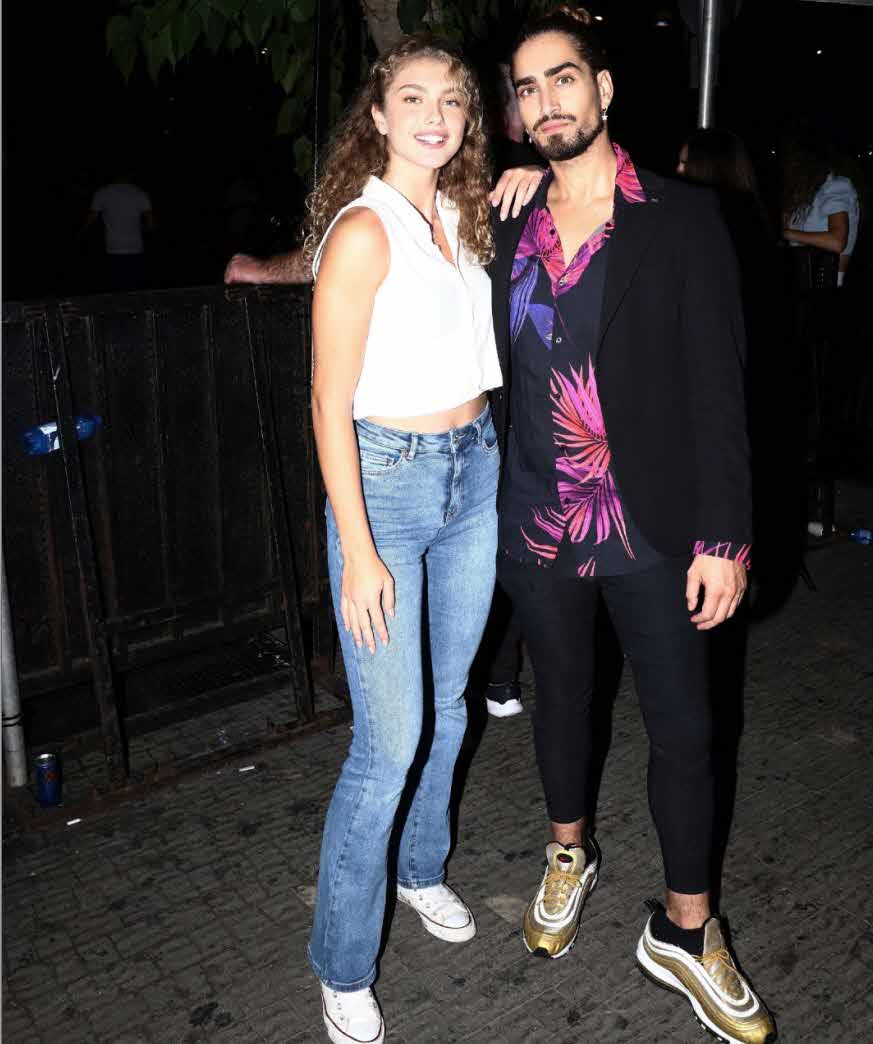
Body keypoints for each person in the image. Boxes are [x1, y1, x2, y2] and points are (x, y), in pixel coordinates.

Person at [488, 8, 775, 1043]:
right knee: (563, 704)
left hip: (650, 523)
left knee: (686, 729)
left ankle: (685, 931)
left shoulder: (684, 218)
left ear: (603, 89)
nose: (546, 101)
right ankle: (568, 852)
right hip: (537, 520)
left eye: (563, 78)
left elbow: (719, 389)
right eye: (527, 88)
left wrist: (726, 536)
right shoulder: (505, 220)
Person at [304, 35, 505, 1044]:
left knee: (451, 706)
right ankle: (341, 964)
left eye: (453, 100)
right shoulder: (363, 230)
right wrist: (358, 547)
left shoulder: (463, 216)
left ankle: (421, 870)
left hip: (476, 470)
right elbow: (327, 401)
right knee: (387, 744)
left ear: (469, 119)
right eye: (413, 98)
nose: (435, 115)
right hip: (385, 487)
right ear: (377, 117)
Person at [781, 136, 861, 287]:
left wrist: (788, 233)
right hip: (802, 281)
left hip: (829, 283)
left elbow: (837, 242)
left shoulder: (835, 187)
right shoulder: (806, 195)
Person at [82, 172, 154, 291]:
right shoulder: (140, 193)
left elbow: (91, 218)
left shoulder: (103, 192)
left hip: (113, 246)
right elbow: (150, 223)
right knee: (135, 286)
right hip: (135, 246)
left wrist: (82, 232)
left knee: (116, 286)